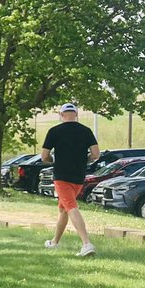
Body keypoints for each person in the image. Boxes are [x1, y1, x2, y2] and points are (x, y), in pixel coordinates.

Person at [41, 102, 101, 256]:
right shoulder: (86, 131)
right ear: (76, 115)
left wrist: (52, 160)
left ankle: (87, 244)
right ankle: (54, 242)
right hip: (79, 176)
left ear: (61, 115)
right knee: (63, 209)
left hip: (61, 175)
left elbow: (44, 156)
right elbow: (96, 154)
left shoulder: (54, 131)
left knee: (71, 208)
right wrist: (84, 160)